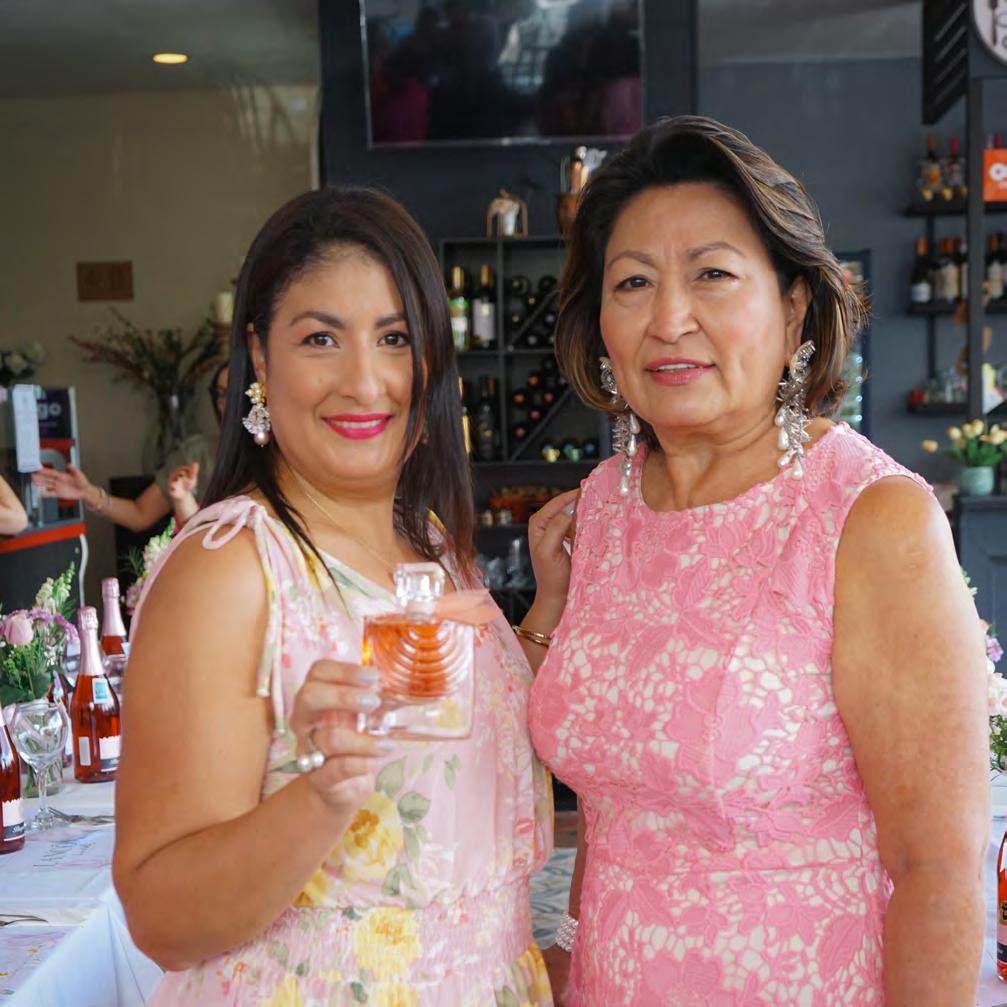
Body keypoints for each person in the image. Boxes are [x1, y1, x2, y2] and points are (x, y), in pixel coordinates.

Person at [524, 115, 989, 1005]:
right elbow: (617, 803)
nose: (669, 319)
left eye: (711, 274)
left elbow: (936, 866)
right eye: (633, 282)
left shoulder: (867, 517)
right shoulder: (603, 505)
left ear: (793, 306)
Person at [112, 186, 554, 1006]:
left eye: (394, 337)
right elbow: (161, 914)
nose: (364, 380)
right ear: (259, 356)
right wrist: (318, 795)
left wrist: (543, 615)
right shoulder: (231, 568)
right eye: (321, 338)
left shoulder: (426, 541)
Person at [32, 361, 228, 531]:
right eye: (221, 394)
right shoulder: (196, 453)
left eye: (236, 392)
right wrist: (87, 493)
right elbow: (140, 514)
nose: (227, 403)